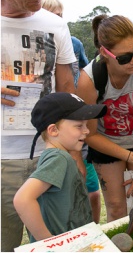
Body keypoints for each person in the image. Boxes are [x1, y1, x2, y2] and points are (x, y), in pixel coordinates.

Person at [1, 0, 76, 250]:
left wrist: (74, 154)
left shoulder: (55, 25)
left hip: (51, 155)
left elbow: (67, 89)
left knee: (56, 241)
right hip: (3, 162)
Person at [76, 14, 133, 222]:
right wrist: (130, 157)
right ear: (104, 53)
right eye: (125, 58)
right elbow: (90, 134)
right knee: (116, 208)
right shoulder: (89, 80)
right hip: (106, 144)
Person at [13, 92, 107, 243]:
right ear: (53, 130)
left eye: (86, 125)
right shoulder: (58, 158)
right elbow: (22, 199)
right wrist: (49, 242)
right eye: (79, 126)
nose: (87, 131)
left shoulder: (60, 156)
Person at [41, 0, 101, 224]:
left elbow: (84, 74)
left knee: (90, 189)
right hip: (53, 128)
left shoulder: (72, 43)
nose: (58, 21)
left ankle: (94, 228)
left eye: (61, 16)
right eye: (52, 15)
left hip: (75, 125)